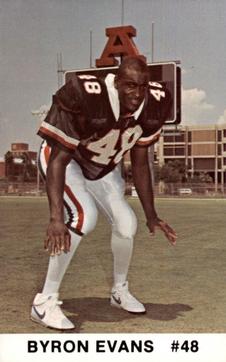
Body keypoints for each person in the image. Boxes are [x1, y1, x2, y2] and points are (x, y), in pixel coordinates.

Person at [31, 55, 177, 330]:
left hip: (101, 166)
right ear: (116, 82)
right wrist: (55, 218)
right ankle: (44, 301)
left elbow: (140, 160)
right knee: (84, 217)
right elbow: (59, 159)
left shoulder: (155, 102)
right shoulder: (86, 95)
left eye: (143, 86)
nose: (137, 93)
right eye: (130, 86)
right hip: (64, 160)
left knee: (126, 224)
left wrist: (151, 215)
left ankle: (119, 291)